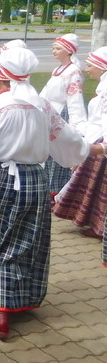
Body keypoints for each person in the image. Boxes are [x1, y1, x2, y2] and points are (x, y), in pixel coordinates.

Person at [0, 47, 97, 340]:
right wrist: (87, 151)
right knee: (24, 239)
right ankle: (13, 297)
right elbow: (70, 142)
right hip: (34, 180)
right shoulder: (44, 107)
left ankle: (0, 309)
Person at [53, 46, 107, 244]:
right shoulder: (103, 87)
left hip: (102, 142)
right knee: (94, 187)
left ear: (102, 67)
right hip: (96, 136)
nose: (87, 69)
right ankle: (96, 223)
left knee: (98, 188)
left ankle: (100, 227)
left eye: (91, 65)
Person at [39, 34, 87, 194]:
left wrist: (77, 124)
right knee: (49, 152)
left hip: (62, 114)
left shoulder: (74, 72)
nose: (53, 51)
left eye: (57, 48)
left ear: (68, 51)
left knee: (60, 152)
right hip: (51, 112)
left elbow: (75, 98)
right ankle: (49, 187)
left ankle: (57, 190)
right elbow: (46, 92)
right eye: (53, 47)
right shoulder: (58, 69)